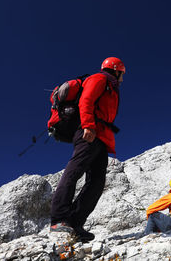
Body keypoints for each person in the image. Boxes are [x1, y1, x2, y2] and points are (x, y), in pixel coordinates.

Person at [50, 57, 125, 242]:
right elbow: (86, 100)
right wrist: (88, 125)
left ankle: (75, 222)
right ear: (116, 70)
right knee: (74, 171)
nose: (123, 77)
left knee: (97, 182)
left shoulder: (111, 88)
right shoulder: (99, 79)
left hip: (101, 137)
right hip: (89, 132)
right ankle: (59, 218)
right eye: (122, 73)